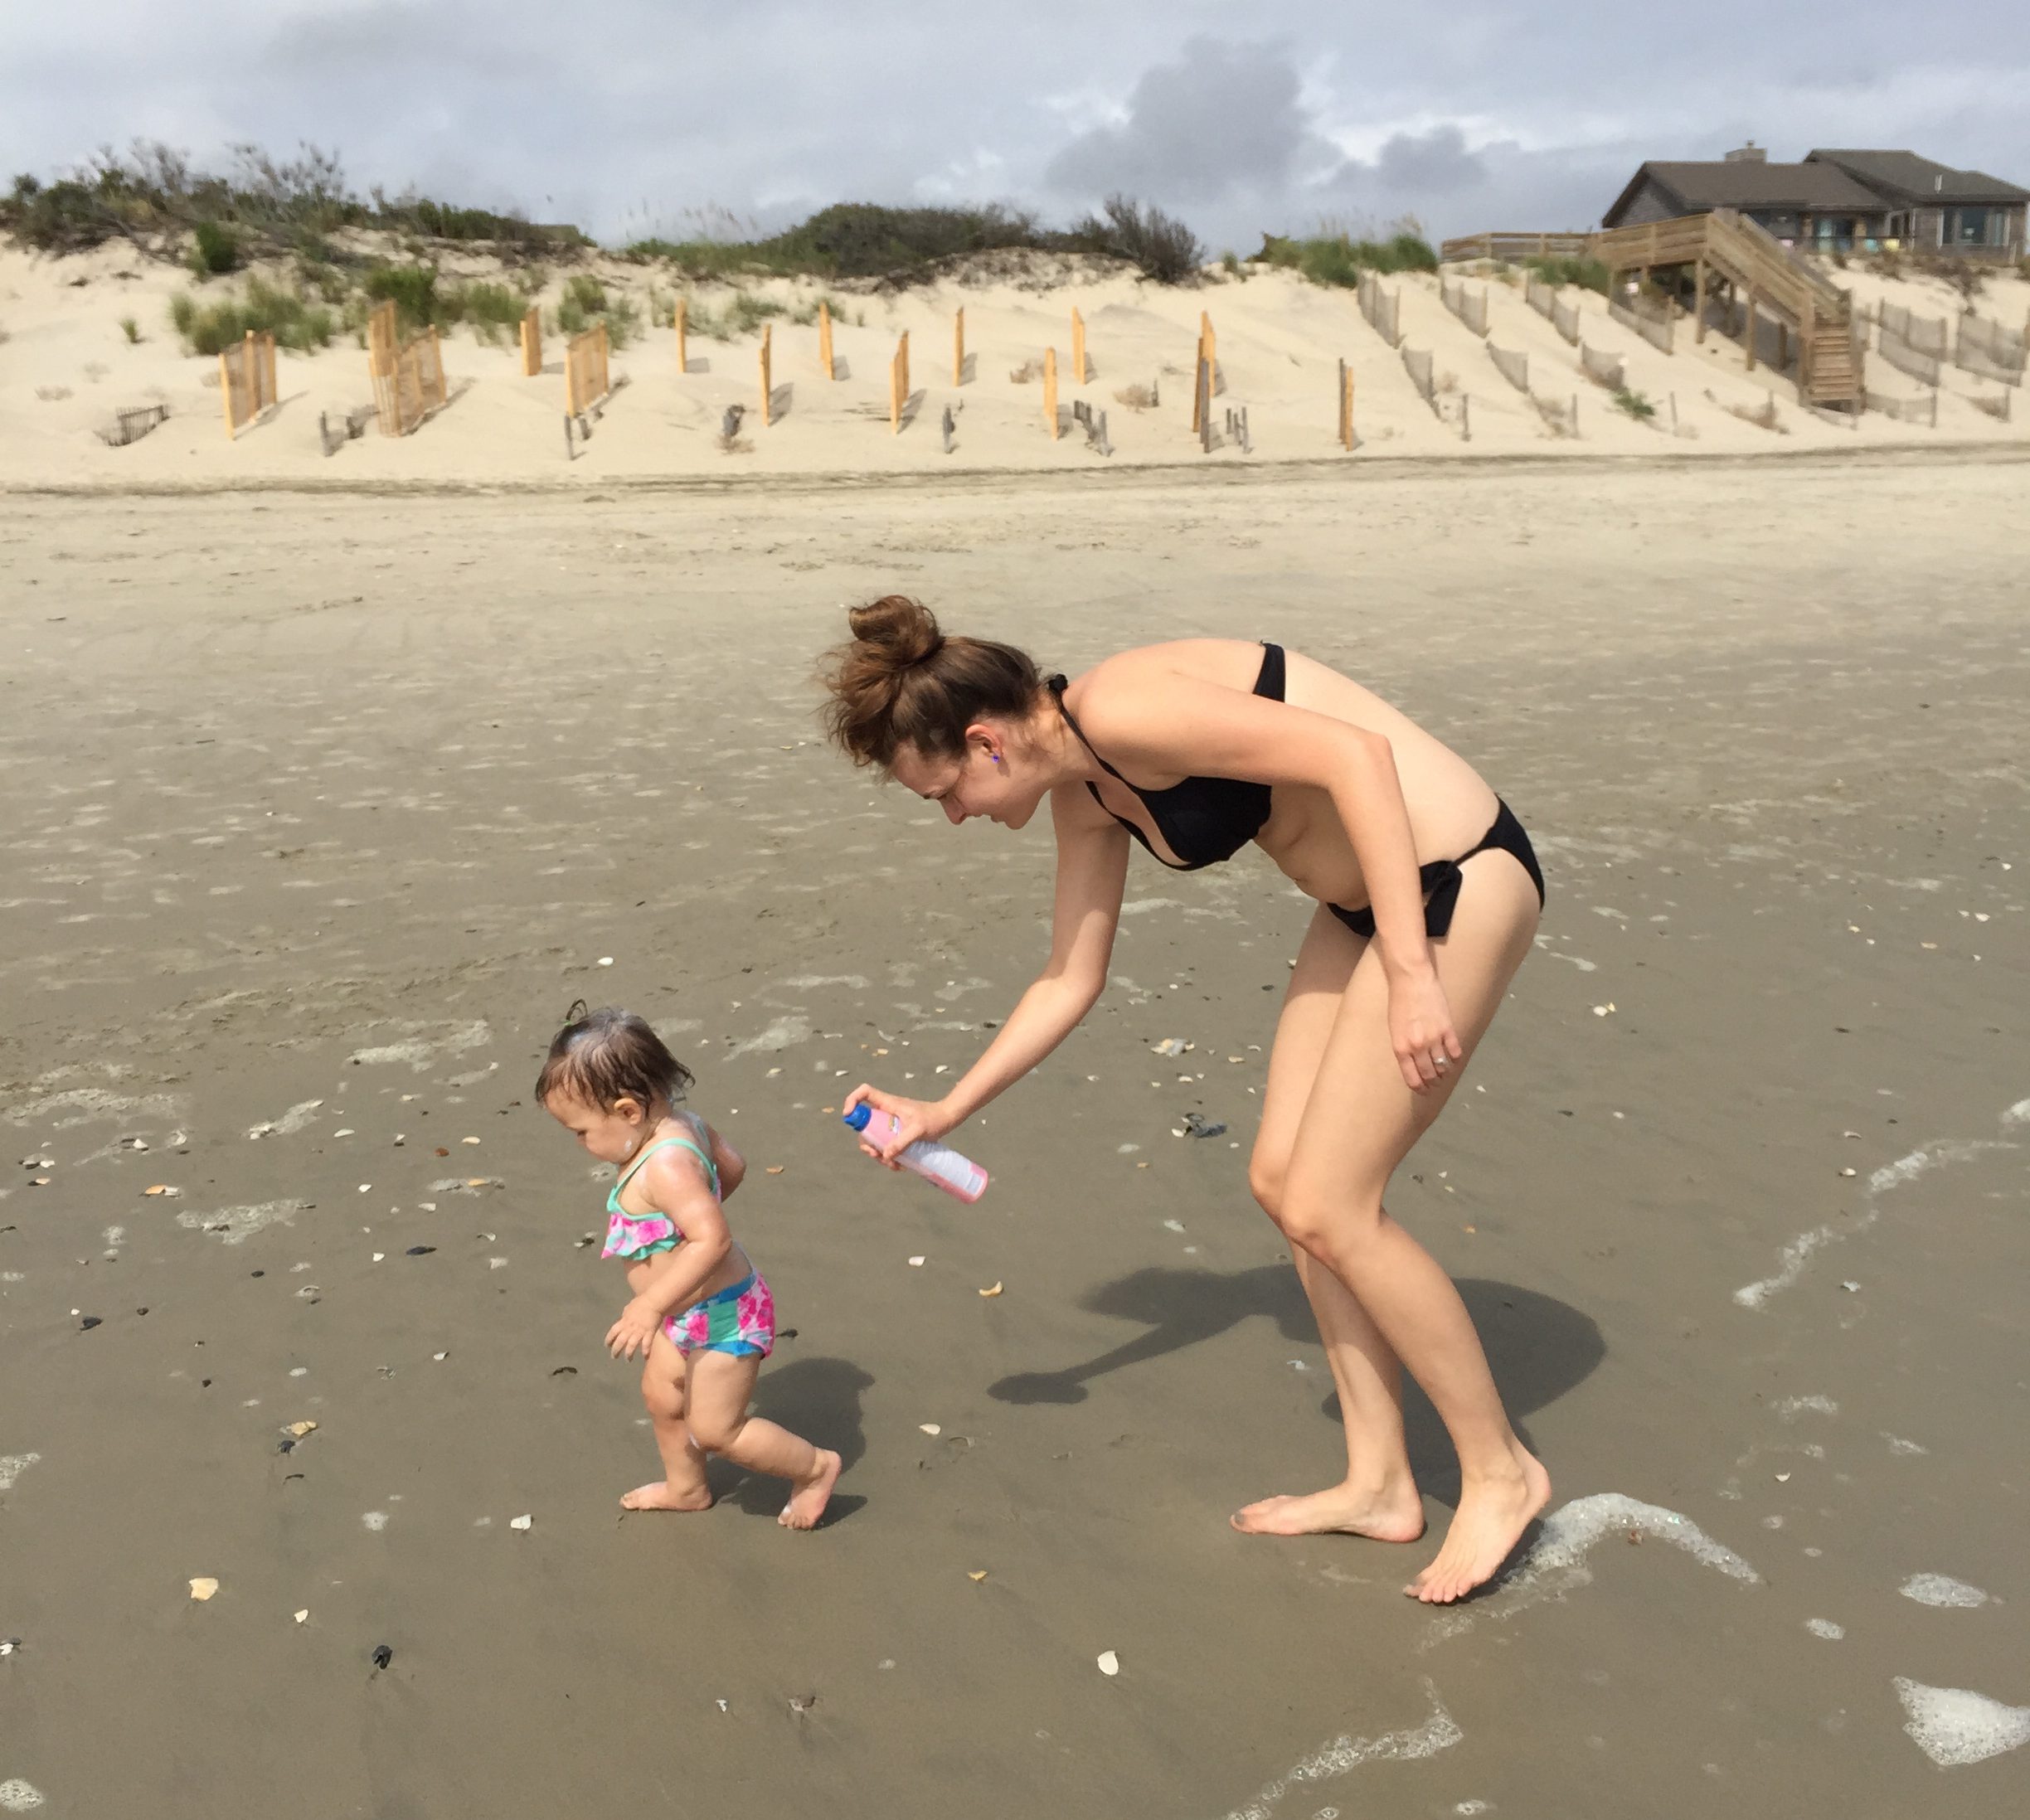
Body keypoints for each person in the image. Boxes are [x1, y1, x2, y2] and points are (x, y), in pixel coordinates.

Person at [822, 597, 1549, 1603]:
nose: (956, 816)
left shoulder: (1126, 708)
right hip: (1364, 908)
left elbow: (1359, 758)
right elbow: (1069, 978)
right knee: (1283, 1180)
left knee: (1333, 1199)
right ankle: (1382, 1481)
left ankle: (1503, 1471)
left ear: (985, 740)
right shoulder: (1087, 790)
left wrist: (1414, 968)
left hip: (1452, 882)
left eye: (944, 791)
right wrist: (945, 1109)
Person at [537, 1002, 841, 1529]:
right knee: (661, 1397)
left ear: (629, 1111)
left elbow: (713, 1239)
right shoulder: (686, 1125)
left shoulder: (667, 1165)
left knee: (717, 1429)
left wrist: (651, 1301)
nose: (581, 1144)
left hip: (723, 1316)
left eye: (581, 1131)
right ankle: (688, 1487)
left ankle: (814, 1469)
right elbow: (733, 1166)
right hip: (684, 1313)